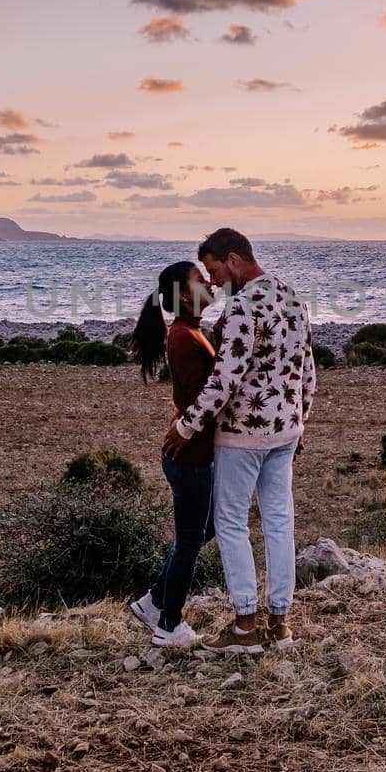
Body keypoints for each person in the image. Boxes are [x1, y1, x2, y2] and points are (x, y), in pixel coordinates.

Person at [163, 227, 315, 655]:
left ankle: (245, 626)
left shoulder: (242, 309)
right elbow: (307, 371)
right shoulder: (293, 300)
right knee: (279, 521)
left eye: (213, 271)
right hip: (285, 432)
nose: (211, 282)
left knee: (231, 523)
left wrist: (186, 426)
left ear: (233, 260)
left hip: (243, 436)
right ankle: (281, 626)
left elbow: (223, 381)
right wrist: (300, 421)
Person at [129, 260, 217, 649]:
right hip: (190, 458)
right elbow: (204, 402)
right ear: (184, 293)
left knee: (204, 530)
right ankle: (169, 623)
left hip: (192, 455)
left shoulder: (192, 331)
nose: (211, 282)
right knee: (189, 539)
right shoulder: (184, 336)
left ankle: (155, 600)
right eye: (201, 279)